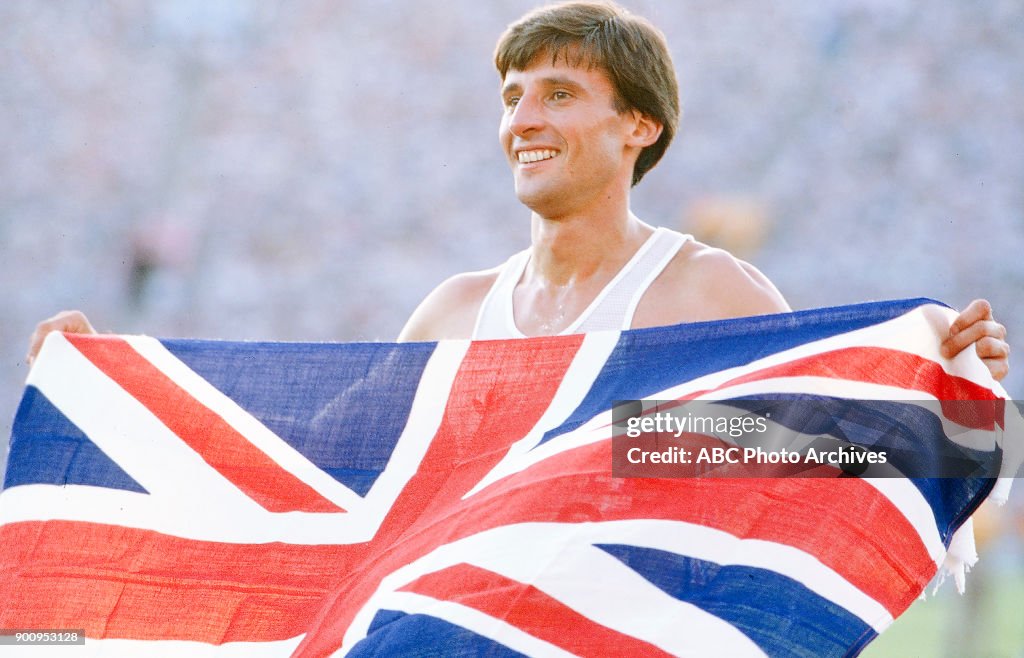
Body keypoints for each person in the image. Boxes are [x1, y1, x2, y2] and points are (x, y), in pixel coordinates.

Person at [27, 2, 1009, 382]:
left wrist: (939, 382)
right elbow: (328, 469)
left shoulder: (705, 295)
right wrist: (115, 385)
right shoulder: (451, 313)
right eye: (510, 96)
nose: (522, 118)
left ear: (639, 125)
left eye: (559, 92)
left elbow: (806, 460)